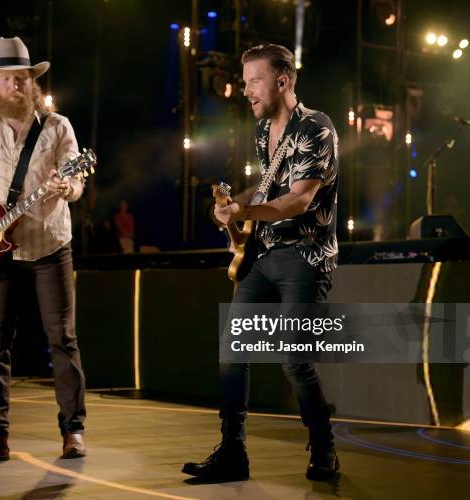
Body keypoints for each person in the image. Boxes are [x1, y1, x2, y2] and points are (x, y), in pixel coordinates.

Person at [182, 44, 340, 482]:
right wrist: (237, 205)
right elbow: (269, 190)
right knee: (233, 350)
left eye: (254, 80)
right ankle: (233, 452)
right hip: (264, 255)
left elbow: (298, 200)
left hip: (306, 258)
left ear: (282, 81)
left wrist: (244, 214)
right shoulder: (262, 133)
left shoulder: (317, 129)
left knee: (294, 357)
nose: (246, 91)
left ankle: (323, 445)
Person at [0, 37, 87, 462]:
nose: (16, 85)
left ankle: (73, 431)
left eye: (23, 78)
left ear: (32, 82)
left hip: (50, 245)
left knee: (62, 339)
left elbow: (78, 181)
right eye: (7, 78)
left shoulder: (58, 126)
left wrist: (69, 186)